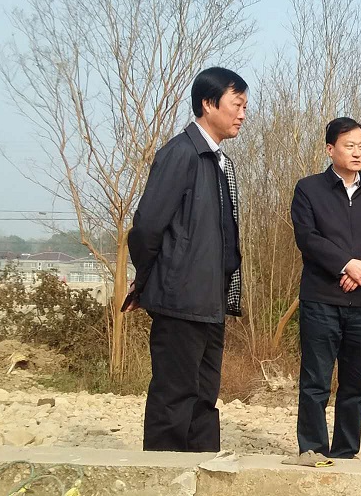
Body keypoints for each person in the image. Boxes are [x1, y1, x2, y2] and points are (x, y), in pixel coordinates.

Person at [126, 67, 247, 452]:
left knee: (204, 397)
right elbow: (147, 227)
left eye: (245, 106)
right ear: (208, 104)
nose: (242, 114)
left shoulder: (219, 162)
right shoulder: (181, 154)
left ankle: (200, 470)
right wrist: (147, 279)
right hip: (179, 299)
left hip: (209, 301)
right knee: (174, 395)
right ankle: (163, 476)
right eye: (236, 105)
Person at [291, 116, 361, 459]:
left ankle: (346, 451)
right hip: (321, 300)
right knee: (316, 382)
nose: (357, 153)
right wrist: (346, 263)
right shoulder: (309, 189)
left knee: (354, 384)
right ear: (330, 149)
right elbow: (308, 237)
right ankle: (313, 450)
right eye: (349, 145)